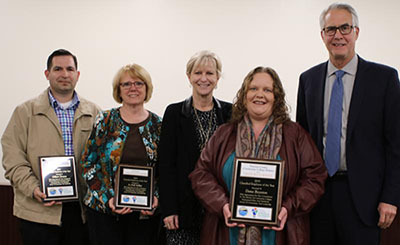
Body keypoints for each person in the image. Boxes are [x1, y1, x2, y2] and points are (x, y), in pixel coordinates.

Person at [296, 3, 400, 245]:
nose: (338, 35)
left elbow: (396, 144)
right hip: (318, 197)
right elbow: (302, 142)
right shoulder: (308, 80)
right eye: (331, 29)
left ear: (356, 32)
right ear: (322, 35)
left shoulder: (384, 79)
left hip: (366, 201)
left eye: (345, 27)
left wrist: (391, 197)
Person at [189, 66, 327, 244]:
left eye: (267, 90)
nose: (259, 95)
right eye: (253, 89)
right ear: (244, 95)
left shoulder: (295, 135)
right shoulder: (224, 133)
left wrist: (288, 208)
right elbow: (201, 174)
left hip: (280, 233)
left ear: (276, 97)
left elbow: (315, 177)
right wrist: (222, 205)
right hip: (227, 232)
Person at [1, 49, 100, 244]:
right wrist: (34, 188)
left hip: (80, 212)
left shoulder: (95, 112)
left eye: (70, 69)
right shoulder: (24, 112)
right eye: (58, 69)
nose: (64, 74)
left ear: (77, 75)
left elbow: (101, 159)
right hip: (37, 212)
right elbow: (13, 159)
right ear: (47, 74)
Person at [81, 63, 163, 245]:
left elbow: (165, 170)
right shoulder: (105, 120)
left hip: (144, 216)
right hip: (104, 214)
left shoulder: (158, 125)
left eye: (139, 83)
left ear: (147, 88)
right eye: (126, 84)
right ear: (118, 90)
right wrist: (109, 198)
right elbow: (88, 164)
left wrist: (156, 197)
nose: (133, 88)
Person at [158, 50, 232, 244]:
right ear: (189, 76)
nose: (203, 79)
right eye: (198, 73)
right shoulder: (174, 113)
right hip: (182, 211)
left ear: (217, 78)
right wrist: (169, 209)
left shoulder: (229, 113)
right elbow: (166, 165)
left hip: (220, 209)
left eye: (210, 73)